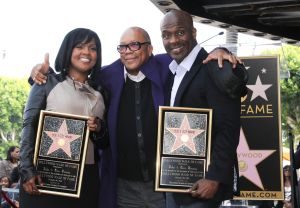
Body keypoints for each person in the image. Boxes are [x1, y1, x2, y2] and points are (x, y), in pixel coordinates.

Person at [30, 28, 247, 208]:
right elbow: (71, 81)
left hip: (163, 187)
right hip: (123, 187)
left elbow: (191, 56)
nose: (128, 52)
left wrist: (221, 50)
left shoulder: (166, 67)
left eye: (135, 45)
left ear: (150, 49)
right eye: (123, 47)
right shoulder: (107, 77)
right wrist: (37, 75)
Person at [159, 10, 243, 208]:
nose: (173, 40)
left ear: (194, 32)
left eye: (180, 33)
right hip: (174, 183)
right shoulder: (172, 72)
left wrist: (214, 178)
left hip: (203, 185)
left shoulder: (215, 67)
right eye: (166, 35)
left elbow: (229, 127)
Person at [19, 28, 107, 208]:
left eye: (93, 48)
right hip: (45, 176)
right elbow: (29, 126)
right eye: (79, 46)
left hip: (86, 180)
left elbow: (105, 142)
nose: (86, 52)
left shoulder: (102, 92)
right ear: (68, 50)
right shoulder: (46, 82)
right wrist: (27, 170)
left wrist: (99, 128)